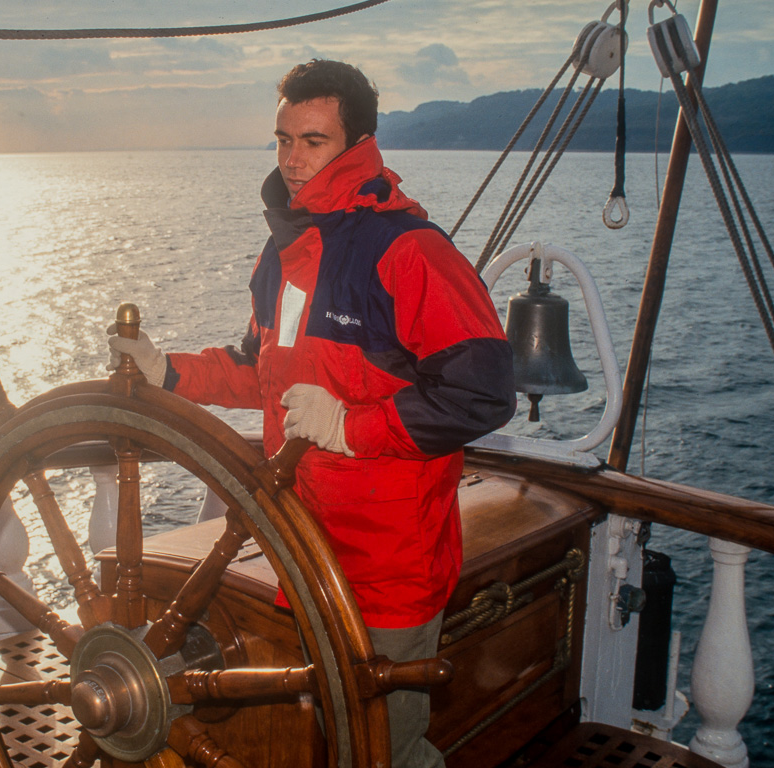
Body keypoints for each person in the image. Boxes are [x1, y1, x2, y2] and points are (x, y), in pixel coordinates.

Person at [109, 59, 516, 768]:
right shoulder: (284, 254)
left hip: (389, 572)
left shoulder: (409, 252)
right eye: (282, 139)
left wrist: (351, 426)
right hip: (308, 555)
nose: (292, 160)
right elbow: (258, 371)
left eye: (313, 141)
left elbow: (482, 391)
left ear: (357, 146)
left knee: (388, 751)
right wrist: (167, 370)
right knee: (334, 738)